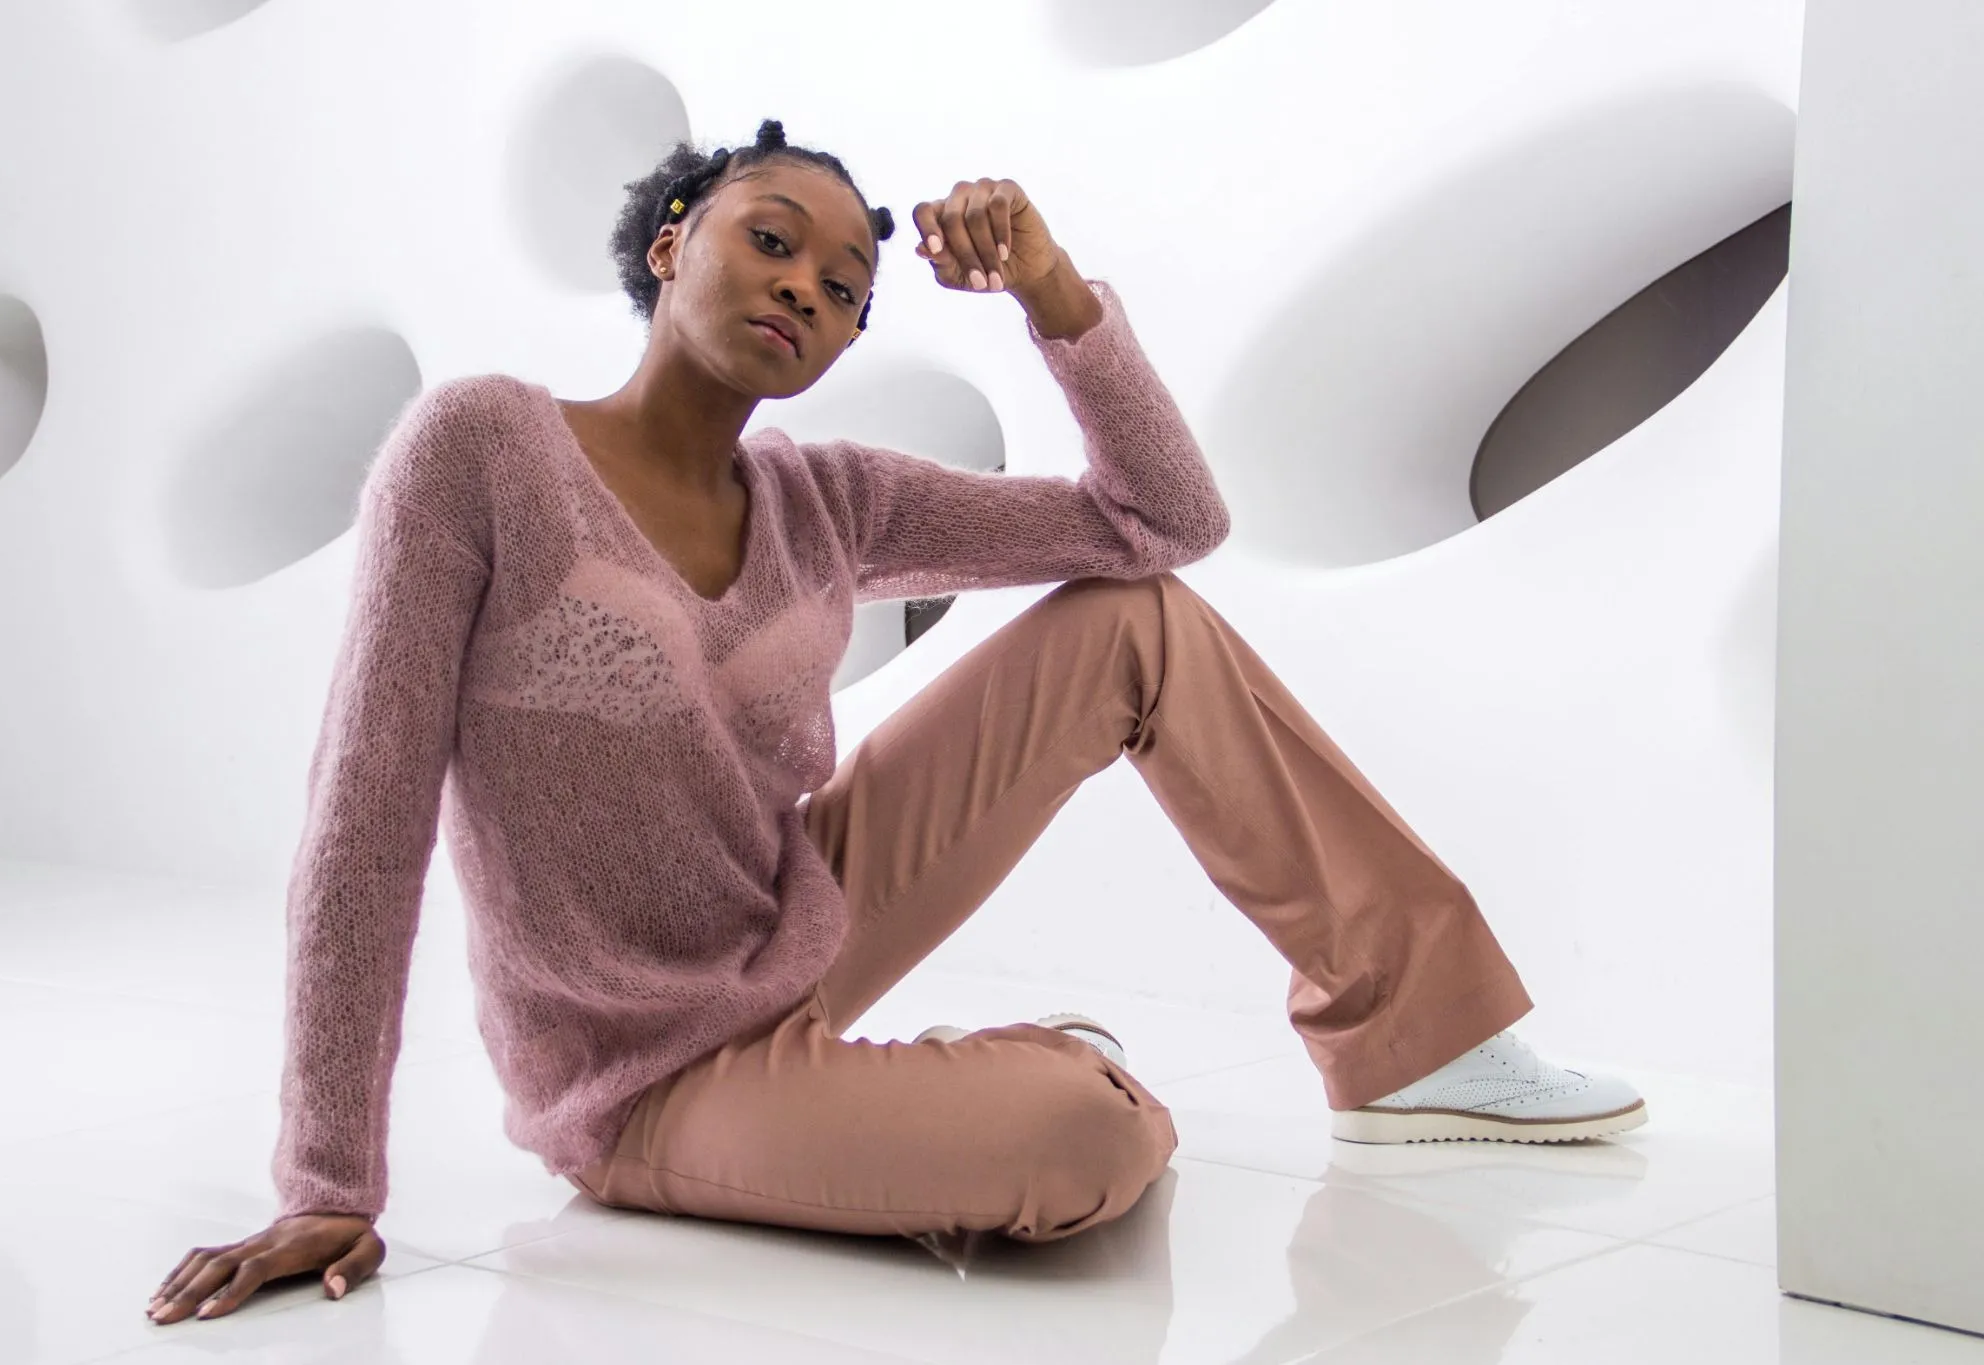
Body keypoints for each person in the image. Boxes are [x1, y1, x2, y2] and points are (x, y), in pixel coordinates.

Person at [145, 118, 1645, 1327]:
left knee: (1135, 626)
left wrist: (1055, 294)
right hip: (644, 1074)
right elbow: (365, 816)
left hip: (805, 911)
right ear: (675, 244)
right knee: (1089, 1142)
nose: (808, 286)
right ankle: (1005, 1076)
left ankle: (1418, 1040)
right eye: (772, 239)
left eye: (848, 285)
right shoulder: (482, 448)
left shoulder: (827, 497)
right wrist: (326, 1178)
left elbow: (1163, 524)